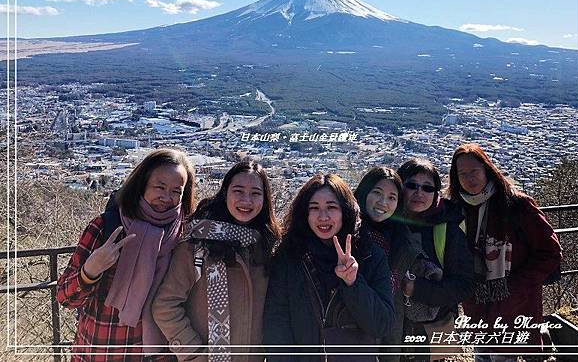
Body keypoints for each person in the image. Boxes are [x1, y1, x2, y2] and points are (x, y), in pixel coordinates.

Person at [57, 147, 197, 361]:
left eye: (176, 191)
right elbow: (65, 298)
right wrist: (90, 272)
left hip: (158, 356)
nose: (166, 197)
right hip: (101, 350)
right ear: (142, 184)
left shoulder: (184, 237)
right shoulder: (107, 227)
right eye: (159, 187)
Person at [152, 160, 281, 362]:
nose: (246, 200)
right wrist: (193, 354)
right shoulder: (198, 241)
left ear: (265, 199)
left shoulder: (266, 246)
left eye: (255, 193)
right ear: (225, 193)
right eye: (238, 191)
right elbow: (165, 305)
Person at [448, 143, 562, 362]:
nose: (469, 179)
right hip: (477, 302)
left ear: (487, 170)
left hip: (514, 302)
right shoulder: (455, 209)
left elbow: (550, 252)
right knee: (482, 355)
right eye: (462, 174)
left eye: (474, 171)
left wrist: (514, 286)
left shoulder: (517, 205)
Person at [263, 173, 395, 362]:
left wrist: (353, 283)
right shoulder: (290, 257)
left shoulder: (370, 256)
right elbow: (277, 323)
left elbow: (383, 324)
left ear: (345, 211)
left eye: (331, 207)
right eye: (314, 208)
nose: (323, 217)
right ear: (305, 214)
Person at [396, 158, 475, 361]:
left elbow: (464, 284)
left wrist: (417, 289)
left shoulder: (447, 229)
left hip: (429, 329)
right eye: (411, 185)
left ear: (436, 193)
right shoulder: (386, 224)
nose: (419, 193)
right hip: (390, 324)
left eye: (427, 188)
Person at [353, 166, 420, 360]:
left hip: (388, 333)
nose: (383, 202)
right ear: (364, 192)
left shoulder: (401, 238)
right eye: (377, 193)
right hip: (349, 332)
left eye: (392, 197)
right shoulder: (344, 233)